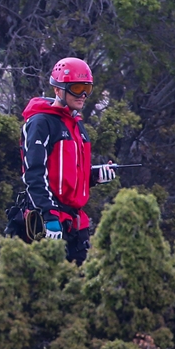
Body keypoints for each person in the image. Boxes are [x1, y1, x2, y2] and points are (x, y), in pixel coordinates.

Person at [19, 57, 117, 265]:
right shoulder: (40, 123)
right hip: (48, 222)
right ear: (58, 89)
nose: (83, 95)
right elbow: (33, 174)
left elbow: (67, 172)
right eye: (77, 88)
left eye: (87, 89)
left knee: (80, 287)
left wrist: (95, 175)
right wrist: (49, 217)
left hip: (75, 224)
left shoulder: (77, 125)